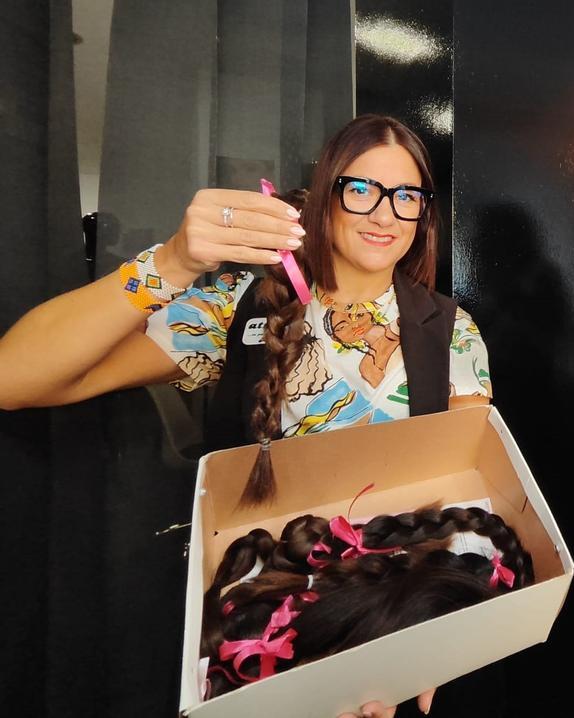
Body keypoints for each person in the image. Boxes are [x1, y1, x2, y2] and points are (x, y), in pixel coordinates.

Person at [0, 114, 495, 718]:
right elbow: (14, 379)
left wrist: (427, 629)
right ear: (324, 199)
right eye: (361, 189)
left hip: (390, 622)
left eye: (406, 196)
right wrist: (173, 263)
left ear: (424, 214)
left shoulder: (452, 332)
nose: (385, 213)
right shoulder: (241, 307)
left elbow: (469, 485)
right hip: (253, 629)